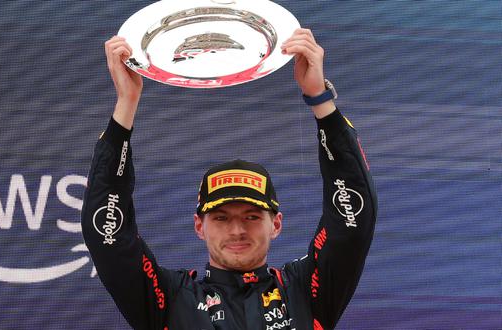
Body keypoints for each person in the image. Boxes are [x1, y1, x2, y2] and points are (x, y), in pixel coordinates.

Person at [82, 28, 377, 330]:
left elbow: (351, 224)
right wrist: (126, 104)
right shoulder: (170, 298)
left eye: (251, 216)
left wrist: (321, 101)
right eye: (221, 217)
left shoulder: (303, 291)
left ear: (275, 224)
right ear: (200, 226)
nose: (237, 230)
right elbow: (109, 239)